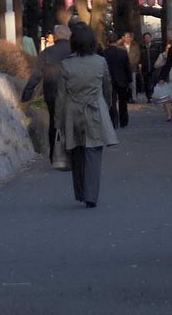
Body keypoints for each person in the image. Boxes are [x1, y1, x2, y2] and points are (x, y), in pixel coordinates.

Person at [55, 22, 118, 208]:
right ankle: (91, 195)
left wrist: (58, 121)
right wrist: (105, 105)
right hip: (95, 110)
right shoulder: (100, 62)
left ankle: (81, 191)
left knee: (77, 152)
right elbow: (107, 87)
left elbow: (60, 96)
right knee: (93, 152)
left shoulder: (66, 64)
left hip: (72, 112)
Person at [21, 23, 72, 162]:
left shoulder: (46, 53)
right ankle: (71, 153)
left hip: (52, 93)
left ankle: (55, 156)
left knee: (54, 123)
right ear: (69, 36)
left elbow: (36, 76)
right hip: (71, 93)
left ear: (55, 37)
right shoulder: (75, 51)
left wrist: (26, 94)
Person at [103, 31, 132, 128]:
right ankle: (123, 121)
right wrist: (129, 80)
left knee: (111, 101)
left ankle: (113, 121)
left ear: (108, 42)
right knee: (123, 102)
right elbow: (127, 67)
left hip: (109, 79)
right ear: (116, 41)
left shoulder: (104, 53)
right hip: (122, 79)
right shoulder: (123, 52)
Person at [138, 31, 158, 103]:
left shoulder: (155, 47)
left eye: (148, 37)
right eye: (146, 38)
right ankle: (149, 97)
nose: (147, 39)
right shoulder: (141, 47)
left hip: (154, 67)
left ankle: (152, 95)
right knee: (147, 83)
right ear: (144, 39)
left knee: (153, 82)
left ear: (150, 38)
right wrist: (139, 64)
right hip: (145, 67)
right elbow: (139, 57)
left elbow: (158, 56)